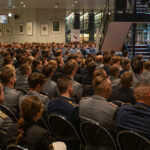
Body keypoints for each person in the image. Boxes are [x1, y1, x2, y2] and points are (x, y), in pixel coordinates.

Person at [48, 77, 80, 150]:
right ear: (69, 88)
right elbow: (77, 129)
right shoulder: (74, 108)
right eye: (72, 86)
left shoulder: (51, 103)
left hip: (56, 135)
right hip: (72, 141)